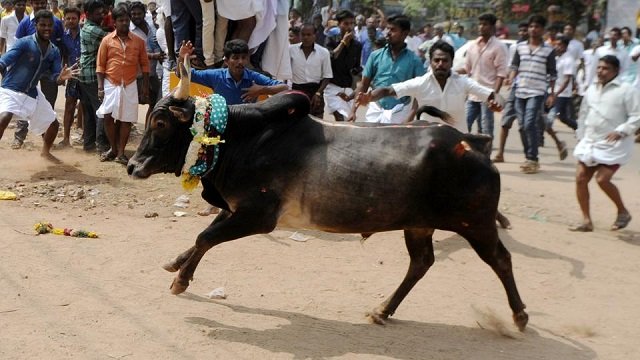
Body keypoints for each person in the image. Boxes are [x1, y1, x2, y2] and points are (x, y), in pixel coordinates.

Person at [178, 38, 288, 216]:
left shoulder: (253, 78)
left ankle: (244, 203)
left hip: (247, 133)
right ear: (226, 60)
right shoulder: (216, 75)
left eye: (244, 57)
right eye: (235, 58)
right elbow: (185, 74)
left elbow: (284, 87)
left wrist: (260, 90)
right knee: (210, 167)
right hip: (219, 131)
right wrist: (181, 58)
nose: (240, 62)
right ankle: (213, 203)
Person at [355, 41, 502, 133]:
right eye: (436, 60)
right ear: (430, 62)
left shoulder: (463, 82)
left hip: (457, 141)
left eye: (445, 60)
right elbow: (388, 90)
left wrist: (497, 103)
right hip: (427, 143)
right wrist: (369, 97)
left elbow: (493, 95)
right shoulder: (421, 83)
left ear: (451, 62)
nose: (440, 64)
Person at [570, 55, 639, 232]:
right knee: (580, 179)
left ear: (616, 71)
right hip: (590, 141)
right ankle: (586, 221)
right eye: (599, 67)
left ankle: (623, 211)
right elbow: (584, 113)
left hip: (614, 145)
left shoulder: (626, 90)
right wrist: (581, 135)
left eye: (605, 68)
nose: (600, 71)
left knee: (602, 179)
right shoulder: (591, 89)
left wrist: (621, 131)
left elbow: (636, 116)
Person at [0, 10, 78, 163]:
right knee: (4, 118)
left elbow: (56, 76)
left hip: (32, 92)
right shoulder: (24, 43)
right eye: (43, 25)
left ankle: (45, 152)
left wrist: (61, 78)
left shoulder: (54, 51)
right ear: (35, 25)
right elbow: (4, 61)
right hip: (11, 90)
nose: (47, 28)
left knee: (54, 124)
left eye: (50, 25)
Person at [96, 5, 150, 165]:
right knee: (107, 116)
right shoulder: (106, 40)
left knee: (126, 119)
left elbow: (145, 65)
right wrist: (100, 87)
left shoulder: (139, 42)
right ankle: (113, 148)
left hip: (130, 83)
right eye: (121, 20)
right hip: (110, 83)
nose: (124, 23)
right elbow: (100, 65)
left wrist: (145, 87)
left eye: (127, 20)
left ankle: (121, 153)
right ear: (114, 22)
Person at [349, 14, 424, 124]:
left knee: (395, 141)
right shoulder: (375, 56)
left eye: (393, 30)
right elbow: (363, 85)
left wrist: (410, 118)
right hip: (376, 109)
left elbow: (419, 92)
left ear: (404, 34)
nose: (388, 33)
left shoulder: (414, 61)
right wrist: (353, 111)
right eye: (387, 28)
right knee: (370, 139)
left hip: (400, 112)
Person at [505, 15, 557, 174]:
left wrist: (552, 94)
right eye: (531, 26)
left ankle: (532, 158)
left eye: (537, 27)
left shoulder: (549, 50)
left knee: (529, 124)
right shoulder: (519, 47)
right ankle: (529, 157)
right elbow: (514, 66)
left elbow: (552, 74)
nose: (533, 29)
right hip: (520, 91)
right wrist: (511, 78)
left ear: (543, 30)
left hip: (537, 92)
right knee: (521, 127)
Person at [11, 0, 65, 150]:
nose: (40, 6)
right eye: (38, 3)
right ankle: (19, 137)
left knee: (48, 105)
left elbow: (61, 45)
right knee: (22, 102)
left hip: (50, 71)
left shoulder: (56, 22)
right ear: (32, 3)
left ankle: (46, 139)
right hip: (29, 72)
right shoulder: (25, 23)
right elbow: (17, 46)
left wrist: (60, 70)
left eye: (43, 3)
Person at [459, 13, 508, 138]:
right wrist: (452, 72)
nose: (481, 27)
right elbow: (467, 69)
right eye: (480, 24)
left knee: (486, 128)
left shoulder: (499, 47)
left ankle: (486, 155)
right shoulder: (472, 46)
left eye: (485, 24)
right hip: (472, 94)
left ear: (492, 27)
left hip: (488, 94)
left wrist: (494, 95)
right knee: (464, 125)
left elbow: (501, 74)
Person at [493, 22, 529, 163]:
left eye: (525, 30)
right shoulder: (516, 48)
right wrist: (510, 78)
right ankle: (500, 153)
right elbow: (511, 67)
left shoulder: (540, 49)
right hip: (516, 88)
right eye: (520, 30)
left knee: (525, 125)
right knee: (505, 121)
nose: (522, 33)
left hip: (531, 91)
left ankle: (530, 156)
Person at [78, 0, 109, 154]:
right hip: (91, 75)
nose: (102, 16)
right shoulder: (93, 30)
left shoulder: (88, 27)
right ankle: (101, 145)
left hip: (84, 75)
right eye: (98, 13)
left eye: (103, 13)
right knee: (101, 111)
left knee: (90, 112)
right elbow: (112, 39)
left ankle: (89, 144)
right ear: (88, 15)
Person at [323, 9, 362, 122]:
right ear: (339, 24)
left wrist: (358, 75)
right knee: (340, 117)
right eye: (346, 23)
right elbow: (331, 57)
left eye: (351, 23)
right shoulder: (330, 40)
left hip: (348, 88)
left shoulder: (357, 45)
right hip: (332, 86)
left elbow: (357, 66)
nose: (349, 27)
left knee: (349, 119)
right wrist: (343, 42)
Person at [129, 0, 163, 126]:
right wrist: (154, 56)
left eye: (139, 13)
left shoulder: (151, 26)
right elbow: (133, 53)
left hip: (152, 73)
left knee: (155, 104)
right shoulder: (129, 31)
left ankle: (148, 131)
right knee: (132, 105)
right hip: (136, 75)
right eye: (133, 14)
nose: (136, 16)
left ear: (144, 13)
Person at [289, 23, 332, 118]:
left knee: (316, 124)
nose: (305, 37)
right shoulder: (291, 50)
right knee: (296, 123)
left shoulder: (324, 52)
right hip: (297, 90)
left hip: (315, 91)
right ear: (300, 35)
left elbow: (327, 76)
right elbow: (286, 72)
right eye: (303, 34)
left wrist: (318, 93)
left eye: (309, 35)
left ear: (314, 36)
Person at [58, 6, 82, 148]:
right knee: (69, 106)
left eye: (74, 18)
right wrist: (62, 76)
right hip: (71, 76)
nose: (71, 21)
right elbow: (63, 57)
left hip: (86, 76)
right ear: (64, 20)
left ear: (79, 19)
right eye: (68, 18)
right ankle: (66, 139)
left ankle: (87, 137)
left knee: (86, 106)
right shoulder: (62, 38)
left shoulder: (85, 33)